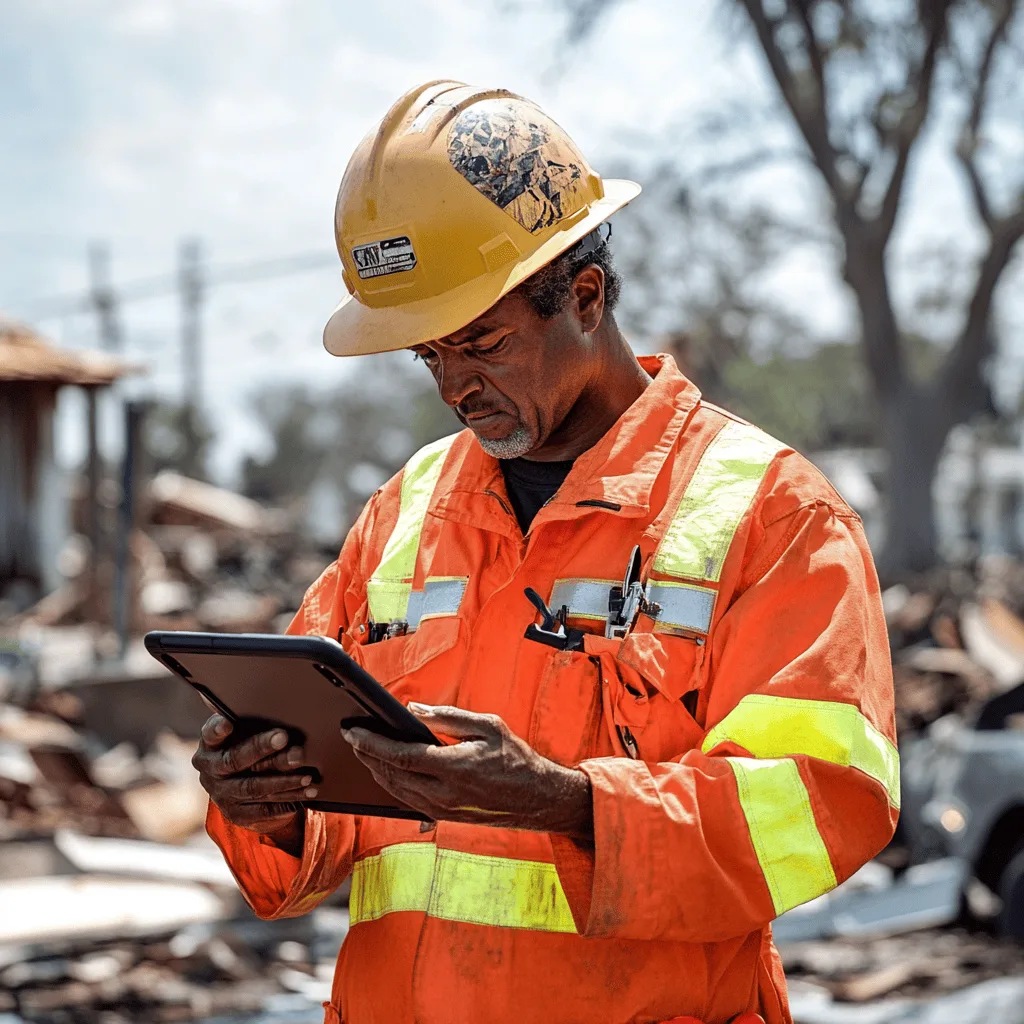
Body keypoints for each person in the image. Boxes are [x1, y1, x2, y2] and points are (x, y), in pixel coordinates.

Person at [193, 82, 898, 1024]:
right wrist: (268, 803)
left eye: (481, 343)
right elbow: (333, 827)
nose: (454, 388)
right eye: (427, 356)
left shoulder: (772, 513)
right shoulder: (405, 511)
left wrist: (567, 804)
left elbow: (824, 804)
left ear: (586, 295)